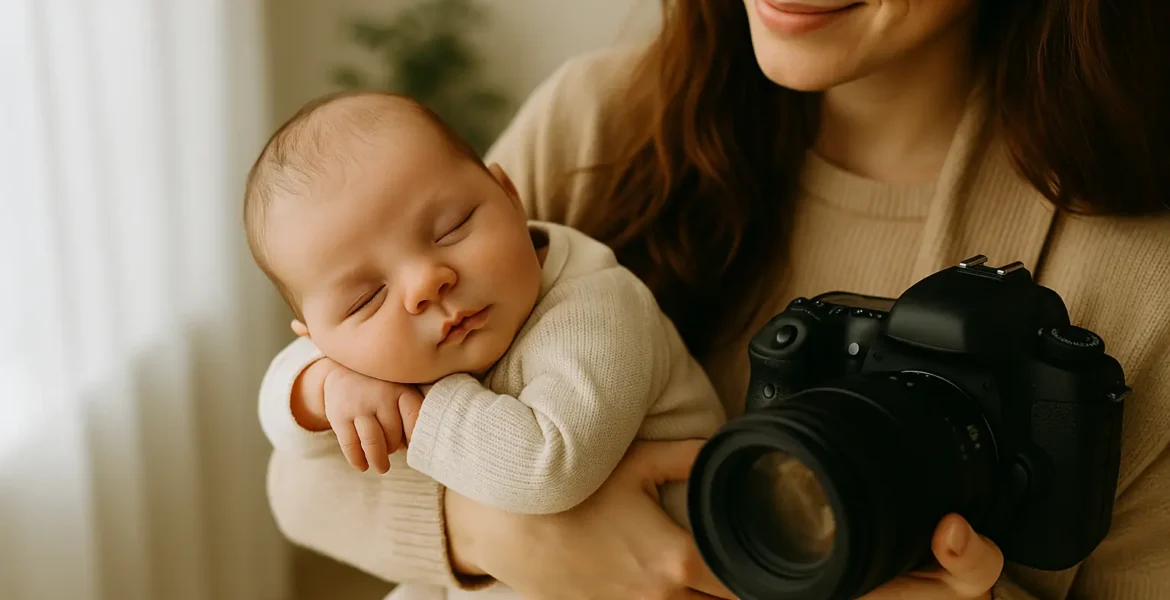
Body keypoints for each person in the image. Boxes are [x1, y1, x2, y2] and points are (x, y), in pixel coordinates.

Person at [260, 1, 1170, 599]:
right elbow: (303, 487)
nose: (423, 283)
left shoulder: (1140, 272)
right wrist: (515, 535)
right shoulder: (597, 121)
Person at [245, 91, 726, 566]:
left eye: (451, 229)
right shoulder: (368, 353)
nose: (425, 284)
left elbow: (550, 467)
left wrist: (416, 407)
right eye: (366, 298)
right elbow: (288, 435)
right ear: (313, 334)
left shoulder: (597, 309)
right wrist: (324, 385)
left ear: (509, 196)